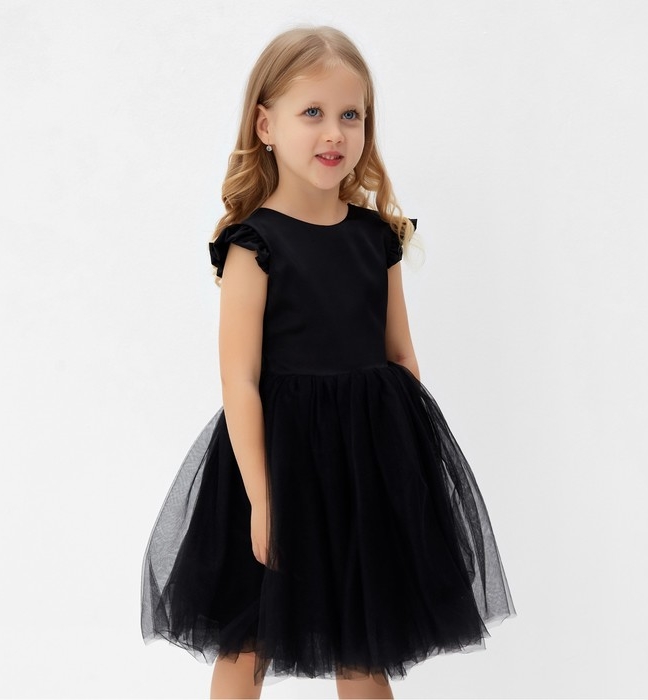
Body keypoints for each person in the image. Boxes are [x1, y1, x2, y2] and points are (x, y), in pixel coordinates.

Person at [141, 25, 516, 700]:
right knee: (248, 639)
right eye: (312, 112)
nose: (334, 133)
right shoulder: (253, 245)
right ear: (266, 124)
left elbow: (400, 355)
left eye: (351, 115)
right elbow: (239, 379)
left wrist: (409, 475)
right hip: (275, 462)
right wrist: (262, 497)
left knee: (364, 642)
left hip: (364, 466)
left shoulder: (378, 238)